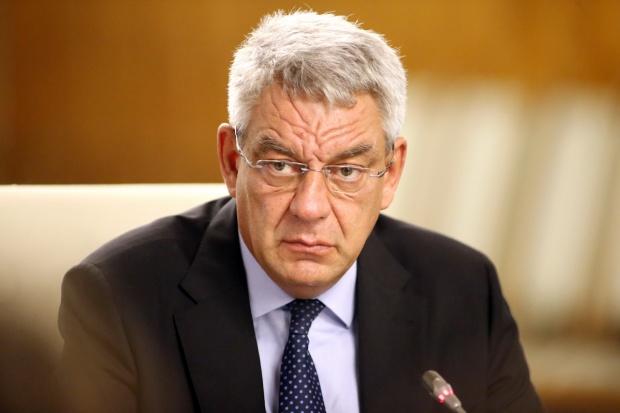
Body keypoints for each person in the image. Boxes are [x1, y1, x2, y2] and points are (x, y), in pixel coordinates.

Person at [57, 10, 544, 413]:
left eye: (346, 171)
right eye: (280, 166)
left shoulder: (463, 291)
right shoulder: (120, 301)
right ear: (232, 161)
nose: (310, 208)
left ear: (391, 173)